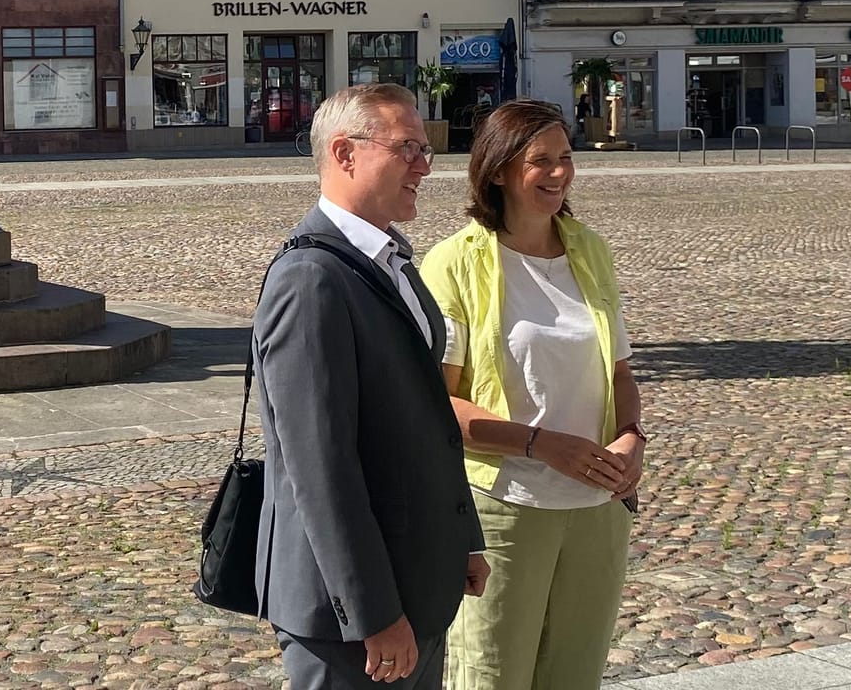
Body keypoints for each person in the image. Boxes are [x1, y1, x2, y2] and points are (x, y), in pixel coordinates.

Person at [253, 81, 489, 689]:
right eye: (407, 148)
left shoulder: (392, 261)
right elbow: (319, 466)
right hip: (347, 618)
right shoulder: (311, 279)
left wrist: (460, 536)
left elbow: (427, 417)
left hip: (415, 580)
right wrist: (373, 613)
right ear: (344, 153)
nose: (424, 166)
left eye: (425, 149)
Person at [419, 99, 644, 690]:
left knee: (575, 675)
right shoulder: (453, 264)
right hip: (503, 507)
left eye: (566, 158)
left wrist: (631, 438)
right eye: (539, 161)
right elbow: (437, 404)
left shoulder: (589, 250)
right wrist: (541, 445)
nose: (559, 173)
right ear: (497, 171)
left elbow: (619, 371)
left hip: (597, 508)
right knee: (492, 674)